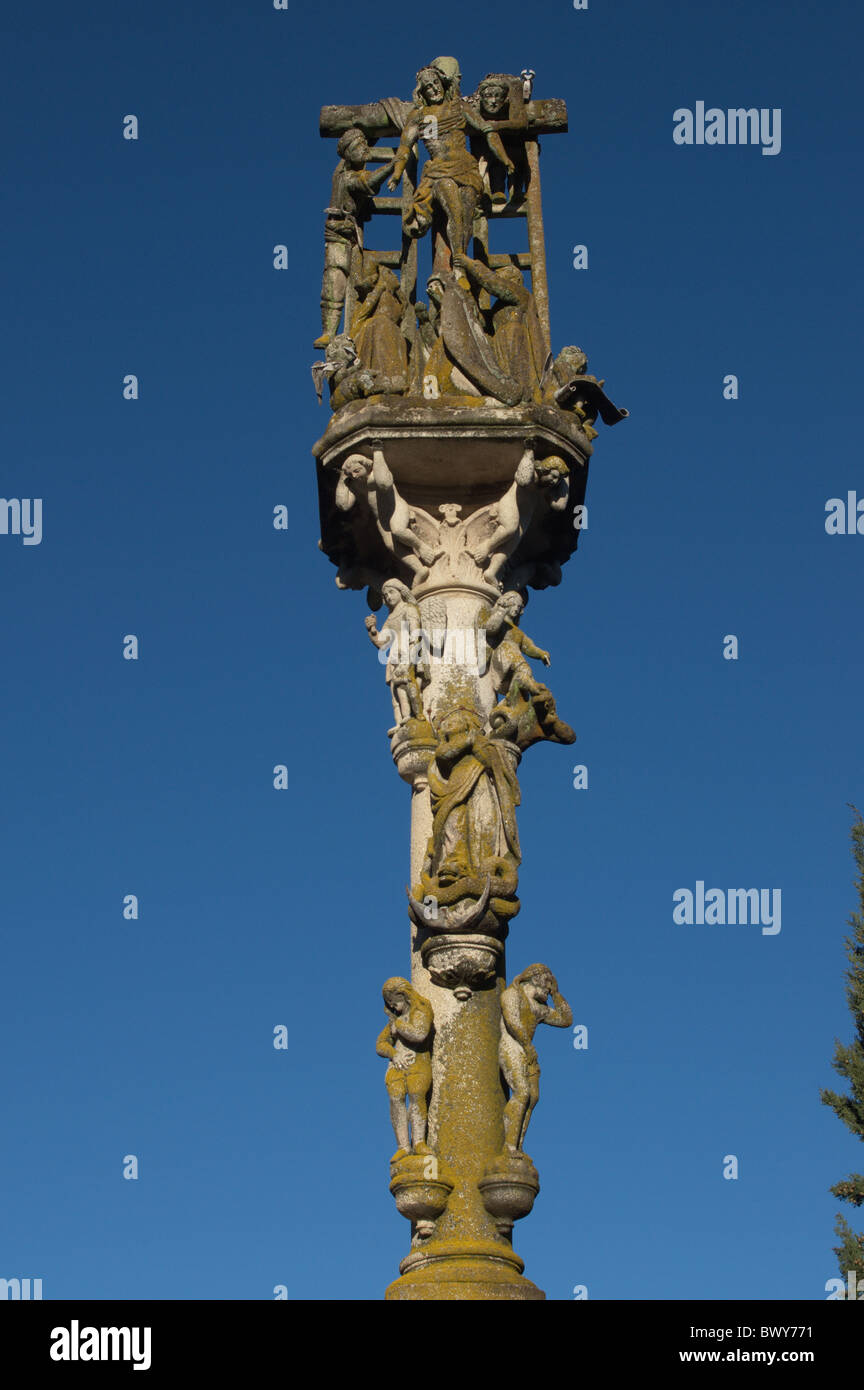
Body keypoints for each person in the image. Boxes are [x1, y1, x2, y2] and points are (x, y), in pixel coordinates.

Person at [387, 57, 514, 261]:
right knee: (455, 212)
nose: (433, 89)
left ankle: (460, 262)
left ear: (443, 83)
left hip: (466, 169)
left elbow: (487, 129)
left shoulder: (459, 107)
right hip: (439, 171)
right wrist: (396, 173)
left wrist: (504, 158)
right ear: (422, 91)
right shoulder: (420, 115)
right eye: (428, 87)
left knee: (466, 219)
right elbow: (405, 147)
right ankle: (460, 263)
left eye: (435, 83)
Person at [314, 128, 395, 349]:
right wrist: (394, 164)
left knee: (357, 280)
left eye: (365, 144)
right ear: (347, 154)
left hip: (350, 236)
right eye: (358, 147)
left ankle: (335, 331)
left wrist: (371, 132)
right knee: (335, 281)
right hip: (339, 236)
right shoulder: (346, 176)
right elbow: (368, 181)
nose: (365, 150)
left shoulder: (343, 169)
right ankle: (328, 333)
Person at [500, 965, 572, 1152]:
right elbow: (512, 1021)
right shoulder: (512, 995)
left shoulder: (539, 1008)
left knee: (532, 1098)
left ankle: (518, 1146)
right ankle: (508, 1146)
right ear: (536, 978)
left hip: (528, 1052)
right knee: (522, 1093)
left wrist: (557, 994)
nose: (549, 989)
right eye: (548, 983)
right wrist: (527, 1045)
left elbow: (566, 1020)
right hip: (513, 1047)